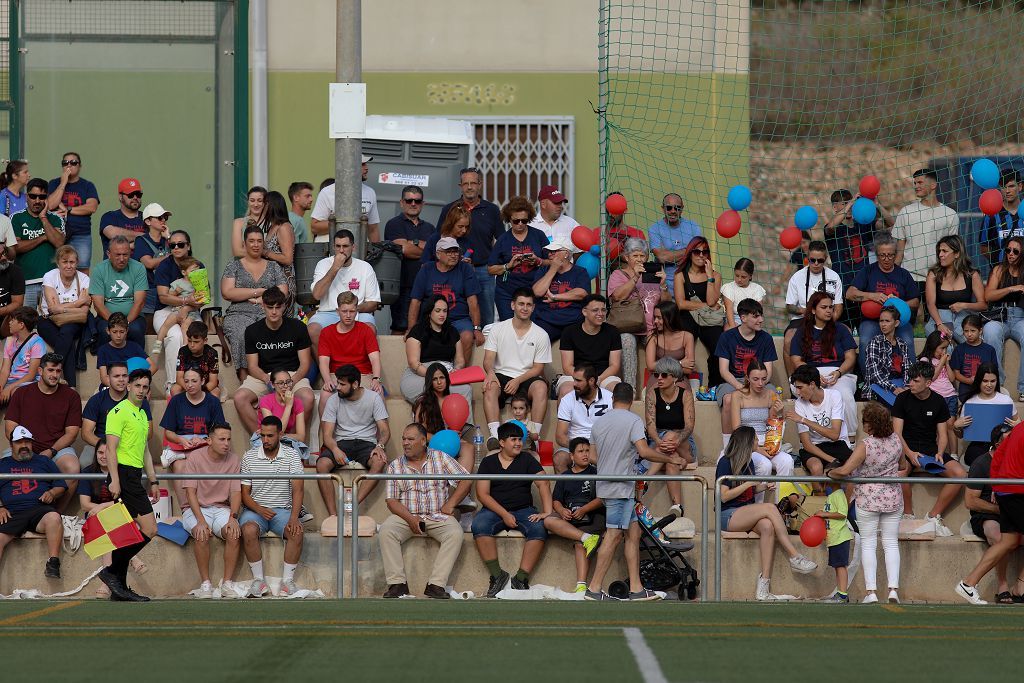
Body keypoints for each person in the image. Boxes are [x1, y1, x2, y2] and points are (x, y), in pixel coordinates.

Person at [585, 383, 686, 601]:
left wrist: (613, 460)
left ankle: (637, 589)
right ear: (631, 400)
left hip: (609, 485)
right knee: (612, 536)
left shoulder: (599, 422)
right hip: (620, 488)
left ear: (613, 400)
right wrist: (671, 458)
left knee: (633, 534)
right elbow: (643, 451)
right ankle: (593, 589)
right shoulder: (633, 421)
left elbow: (592, 458)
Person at [715, 425, 817, 601]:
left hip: (744, 512)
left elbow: (749, 492)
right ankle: (794, 557)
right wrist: (748, 484)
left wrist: (761, 487)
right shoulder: (726, 461)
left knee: (767, 526)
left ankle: (764, 587)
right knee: (770, 508)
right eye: (755, 439)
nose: (758, 441)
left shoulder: (749, 462)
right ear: (747, 441)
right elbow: (723, 496)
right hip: (728, 515)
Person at [379, 423, 472, 599]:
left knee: (455, 533)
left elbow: (466, 480)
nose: (405, 443)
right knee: (386, 530)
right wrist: (411, 519)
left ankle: (436, 585)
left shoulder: (441, 458)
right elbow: (391, 501)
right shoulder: (395, 466)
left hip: (438, 515)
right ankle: (397, 584)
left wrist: (451, 504)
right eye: (404, 439)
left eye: (410, 439)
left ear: (423, 441)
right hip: (406, 516)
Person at [829, 401, 904, 605]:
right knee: (891, 543)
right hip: (893, 497)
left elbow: (844, 471)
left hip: (868, 499)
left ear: (871, 424)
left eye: (865, 421)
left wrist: (830, 473)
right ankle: (893, 590)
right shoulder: (896, 440)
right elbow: (904, 466)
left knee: (869, 544)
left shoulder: (866, 444)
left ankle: (871, 592)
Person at [97, 368, 160, 602]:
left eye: (145, 387)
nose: (141, 390)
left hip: (135, 476)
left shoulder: (142, 414)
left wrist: (152, 480)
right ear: (129, 386)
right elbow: (111, 448)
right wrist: (114, 479)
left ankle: (119, 587)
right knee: (150, 529)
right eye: (138, 386)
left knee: (127, 533)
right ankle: (111, 573)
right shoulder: (118, 412)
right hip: (122, 475)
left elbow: (144, 450)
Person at [472, 421, 550, 597]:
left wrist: (547, 511)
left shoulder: (527, 459)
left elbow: (543, 482)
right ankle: (497, 575)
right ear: (501, 442)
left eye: (520, 439)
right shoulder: (488, 462)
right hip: (494, 510)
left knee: (539, 528)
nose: (518, 443)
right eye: (513, 439)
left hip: (524, 509)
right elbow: (482, 494)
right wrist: (504, 514)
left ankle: (521, 578)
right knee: (479, 525)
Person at [891, 360, 966, 535]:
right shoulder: (902, 398)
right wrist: (909, 453)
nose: (911, 383)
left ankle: (933, 515)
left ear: (928, 383)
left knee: (960, 474)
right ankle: (907, 515)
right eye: (910, 379)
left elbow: (943, 434)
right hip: (905, 448)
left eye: (916, 381)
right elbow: (896, 434)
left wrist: (940, 453)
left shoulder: (939, 401)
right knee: (900, 473)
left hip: (930, 449)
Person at [4, 353, 82, 512]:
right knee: (3, 467)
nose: (54, 375)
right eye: (51, 370)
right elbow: (10, 428)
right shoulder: (21, 393)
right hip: (24, 445)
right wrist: (25, 447)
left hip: (56, 447)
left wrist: (51, 451)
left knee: (73, 468)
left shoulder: (71, 396)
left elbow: (72, 433)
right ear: (40, 371)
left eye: (58, 371)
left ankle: (57, 514)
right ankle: (10, 514)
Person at [240, 415, 305, 598]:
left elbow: (298, 489)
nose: (266, 440)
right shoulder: (249, 456)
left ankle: (287, 582)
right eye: (263, 436)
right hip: (255, 510)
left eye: (270, 436)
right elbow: (245, 494)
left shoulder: (292, 455)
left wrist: (293, 518)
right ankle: (258, 581)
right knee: (248, 529)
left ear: (280, 434)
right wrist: (259, 509)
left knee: (297, 530)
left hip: (282, 511)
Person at [234, 287, 314, 434]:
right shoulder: (252, 331)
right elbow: (252, 366)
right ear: (263, 305)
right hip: (265, 375)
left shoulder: (298, 327)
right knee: (240, 397)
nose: (274, 311)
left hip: (292, 374)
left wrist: (290, 382)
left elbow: (305, 364)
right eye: (270, 307)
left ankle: (290, 441)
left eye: (278, 307)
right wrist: (268, 380)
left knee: (308, 398)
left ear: (284, 306)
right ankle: (263, 439)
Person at [482, 289, 552, 450]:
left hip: (527, 377)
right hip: (502, 374)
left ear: (533, 308)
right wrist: (490, 374)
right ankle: (495, 436)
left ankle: (533, 438)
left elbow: (538, 368)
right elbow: (488, 361)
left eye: (529, 305)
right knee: (490, 385)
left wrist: (518, 380)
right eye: (521, 304)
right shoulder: (498, 329)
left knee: (541, 387)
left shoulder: (541, 334)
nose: (525, 308)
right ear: (513, 305)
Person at [435, 166, 504, 327]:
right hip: (455, 269)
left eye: (473, 183)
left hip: (484, 271)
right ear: (460, 186)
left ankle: (483, 349)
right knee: (454, 311)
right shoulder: (449, 209)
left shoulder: (492, 210)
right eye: (466, 183)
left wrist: (494, 264)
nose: (470, 187)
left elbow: (501, 240)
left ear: (480, 184)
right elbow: (440, 238)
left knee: (486, 316)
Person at [181, 423, 242, 598]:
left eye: (229, 439)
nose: (226, 443)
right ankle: (205, 584)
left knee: (234, 532)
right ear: (209, 440)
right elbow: (190, 493)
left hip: (222, 508)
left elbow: (236, 492)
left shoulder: (234, 459)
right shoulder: (195, 457)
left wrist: (233, 517)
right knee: (200, 533)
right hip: (197, 508)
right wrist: (200, 520)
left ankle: (227, 583)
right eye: (222, 439)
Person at [316, 365, 390, 509]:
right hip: (342, 443)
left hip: (367, 443)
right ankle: (333, 515)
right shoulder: (333, 400)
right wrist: (335, 449)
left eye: (342, 384)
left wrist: (379, 446)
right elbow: (327, 434)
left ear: (355, 384)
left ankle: (352, 504)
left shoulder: (373, 398)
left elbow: (385, 430)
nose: (337, 387)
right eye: (337, 382)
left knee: (379, 462)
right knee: (322, 464)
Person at [220, 225, 289, 376]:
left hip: (268, 312)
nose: (256, 245)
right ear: (244, 243)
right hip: (239, 313)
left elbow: (283, 291)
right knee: (241, 332)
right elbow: (227, 292)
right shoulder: (234, 265)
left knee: (272, 330)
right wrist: (260, 291)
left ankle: (273, 376)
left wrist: (259, 300)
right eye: (251, 241)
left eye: (259, 241)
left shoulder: (273, 265)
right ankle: (244, 377)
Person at [0, 426, 67, 579]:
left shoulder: (44, 461)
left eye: (27, 442)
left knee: (54, 518)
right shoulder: (2, 464)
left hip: (39, 510)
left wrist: (52, 492)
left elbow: (61, 485)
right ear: (11, 445)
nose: (24, 446)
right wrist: (0, 507)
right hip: (12, 513)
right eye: (19, 442)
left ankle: (53, 563)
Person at [788, 291, 858, 435]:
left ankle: (850, 437)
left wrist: (839, 373)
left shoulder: (841, 330)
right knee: (805, 390)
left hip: (838, 373)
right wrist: (812, 375)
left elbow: (850, 357)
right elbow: (796, 360)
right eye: (824, 307)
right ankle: (812, 437)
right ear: (813, 310)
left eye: (831, 307)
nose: (829, 310)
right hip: (809, 374)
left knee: (844, 394)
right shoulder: (802, 331)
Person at [963, 424, 1019, 603]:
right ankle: (1003, 586)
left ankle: (1019, 586)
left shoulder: (1015, 450)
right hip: (988, 514)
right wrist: (1000, 505)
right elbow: (970, 501)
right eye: (1006, 440)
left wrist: (1000, 491)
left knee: (1012, 538)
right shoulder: (981, 463)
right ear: (996, 444)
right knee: (1000, 537)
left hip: (1010, 505)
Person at [847, 232, 918, 371]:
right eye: (882, 255)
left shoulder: (903, 274)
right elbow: (850, 293)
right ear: (876, 254)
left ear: (895, 254)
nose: (886, 259)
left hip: (898, 321)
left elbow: (915, 302)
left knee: (908, 342)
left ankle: (911, 381)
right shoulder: (868, 271)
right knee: (865, 341)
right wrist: (871, 296)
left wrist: (899, 303)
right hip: (872, 320)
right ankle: (867, 381)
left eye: (890, 255)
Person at [160, 367, 227, 512]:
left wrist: (204, 440)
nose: (189, 385)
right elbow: (168, 433)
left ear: (202, 381)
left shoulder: (212, 402)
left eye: (194, 381)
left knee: (200, 458)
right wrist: (181, 440)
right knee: (179, 466)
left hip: (205, 445)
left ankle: (207, 506)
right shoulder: (176, 401)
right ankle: (186, 509)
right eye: (186, 381)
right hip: (181, 446)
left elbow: (220, 432)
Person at [408, 237, 483, 361]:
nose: (454, 255)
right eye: (449, 252)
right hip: (431, 319)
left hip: (458, 319)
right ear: (438, 254)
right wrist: (411, 329)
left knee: (467, 336)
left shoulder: (465, 268)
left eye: (456, 251)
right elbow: (416, 301)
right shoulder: (426, 269)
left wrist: (477, 328)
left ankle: (460, 374)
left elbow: (472, 301)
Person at [544, 437, 603, 592]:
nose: (585, 454)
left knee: (579, 545)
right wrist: (562, 511)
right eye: (580, 451)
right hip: (571, 518)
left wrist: (584, 509)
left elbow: (602, 498)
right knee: (548, 521)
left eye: (587, 451)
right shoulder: (565, 476)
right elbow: (556, 500)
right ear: (571, 456)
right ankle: (587, 538)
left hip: (593, 516)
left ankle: (581, 585)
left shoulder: (596, 473)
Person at [716, 298, 778, 442]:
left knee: (774, 397)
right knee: (728, 399)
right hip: (733, 381)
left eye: (761, 315)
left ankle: (771, 441)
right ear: (743, 318)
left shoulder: (766, 338)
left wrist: (756, 384)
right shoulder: (727, 337)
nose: (761, 320)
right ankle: (727, 445)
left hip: (760, 380)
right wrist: (740, 387)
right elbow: (724, 370)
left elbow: (768, 372)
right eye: (756, 316)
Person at [400, 294, 472, 411]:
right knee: (436, 389)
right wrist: (434, 375)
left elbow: (460, 360)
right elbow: (414, 363)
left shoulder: (452, 331)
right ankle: (432, 425)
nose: (442, 314)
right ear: (429, 312)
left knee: (465, 389)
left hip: (446, 372)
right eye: (438, 311)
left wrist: (456, 370)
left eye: (444, 311)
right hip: (420, 374)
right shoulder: (417, 331)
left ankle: (466, 428)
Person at [153, 229, 205, 389]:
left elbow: (203, 298)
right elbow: (163, 297)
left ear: (188, 246)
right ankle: (173, 384)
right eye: (172, 245)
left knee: (191, 335)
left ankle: (196, 381)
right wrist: (185, 300)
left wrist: (186, 307)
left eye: (180, 244)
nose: (176, 248)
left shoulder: (197, 266)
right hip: (165, 310)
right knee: (175, 336)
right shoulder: (164, 266)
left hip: (192, 310)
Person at [787, 363, 853, 489]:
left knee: (838, 472)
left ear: (812, 384)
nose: (797, 392)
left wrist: (803, 420)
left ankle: (836, 505)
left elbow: (834, 435)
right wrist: (831, 459)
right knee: (816, 467)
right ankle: (818, 502)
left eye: (800, 387)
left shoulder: (834, 396)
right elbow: (807, 444)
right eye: (796, 388)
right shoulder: (799, 404)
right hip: (814, 447)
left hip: (837, 444)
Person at [729, 359, 794, 487]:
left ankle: (781, 502)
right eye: (755, 379)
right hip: (747, 442)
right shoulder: (738, 396)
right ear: (747, 378)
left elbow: (773, 424)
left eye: (764, 379)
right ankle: (759, 505)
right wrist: (757, 449)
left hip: (768, 440)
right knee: (765, 465)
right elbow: (737, 429)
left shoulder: (770, 394)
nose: (760, 383)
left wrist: (779, 412)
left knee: (787, 461)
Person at [783, 240, 843, 377]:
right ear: (807, 257)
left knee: (846, 334)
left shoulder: (834, 276)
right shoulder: (797, 277)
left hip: (828, 317)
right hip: (803, 318)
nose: (816, 263)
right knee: (788, 339)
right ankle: (793, 380)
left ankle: (841, 376)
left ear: (826, 259)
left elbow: (838, 306)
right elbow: (790, 306)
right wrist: (809, 311)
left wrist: (828, 318)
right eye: (812, 260)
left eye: (820, 260)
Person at [643, 357, 696, 513]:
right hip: (659, 442)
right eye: (657, 374)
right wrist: (660, 442)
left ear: (674, 377)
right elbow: (650, 426)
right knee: (672, 460)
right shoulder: (652, 394)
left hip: (684, 443)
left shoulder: (685, 395)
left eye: (664, 375)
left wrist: (676, 440)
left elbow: (689, 426)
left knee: (671, 435)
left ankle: (646, 478)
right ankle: (677, 506)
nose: (659, 378)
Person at [317, 291, 384, 409]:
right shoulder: (327, 332)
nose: (348, 315)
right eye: (344, 311)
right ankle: (325, 428)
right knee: (325, 395)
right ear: (338, 311)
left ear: (356, 311)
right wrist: (327, 380)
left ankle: (382, 428)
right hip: (336, 375)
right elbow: (323, 362)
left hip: (362, 374)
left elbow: (375, 359)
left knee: (378, 393)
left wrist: (376, 378)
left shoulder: (366, 330)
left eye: (352, 311)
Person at [893, 167, 959, 285]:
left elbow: (952, 252)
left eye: (920, 182)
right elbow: (899, 252)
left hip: (938, 278)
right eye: (914, 183)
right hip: (909, 278)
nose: (916, 186)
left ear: (933, 185)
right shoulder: (906, 212)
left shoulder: (950, 215)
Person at [674, 236, 725, 389]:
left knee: (718, 348)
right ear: (690, 253)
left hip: (709, 320)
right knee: (681, 349)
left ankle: (715, 387)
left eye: (705, 252)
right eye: (697, 252)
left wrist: (709, 277)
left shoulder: (715, 276)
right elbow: (681, 304)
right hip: (688, 316)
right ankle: (680, 384)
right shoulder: (680, 276)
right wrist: (705, 305)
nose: (701, 255)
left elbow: (711, 301)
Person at [384, 186, 435, 334]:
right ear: (401, 202)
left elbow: (436, 252)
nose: (413, 203)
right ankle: (396, 358)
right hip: (403, 286)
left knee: (426, 329)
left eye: (417, 201)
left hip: (427, 286)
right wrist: (425, 247)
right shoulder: (394, 224)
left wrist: (413, 242)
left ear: (423, 203)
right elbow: (404, 249)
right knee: (401, 327)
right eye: (409, 200)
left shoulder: (430, 228)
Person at [489, 196, 548, 321]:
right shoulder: (503, 240)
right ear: (509, 219)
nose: (520, 224)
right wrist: (508, 265)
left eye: (524, 220)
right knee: (509, 328)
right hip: (507, 293)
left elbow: (552, 262)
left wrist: (538, 261)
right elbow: (491, 269)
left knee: (534, 328)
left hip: (534, 291)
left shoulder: (538, 236)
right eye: (516, 221)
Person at [37, 244, 88, 386]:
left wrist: (62, 308)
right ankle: (71, 387)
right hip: (48, 320)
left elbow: (84, 312)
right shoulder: (50, 276)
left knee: (67, 332)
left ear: (77, 263)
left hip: (74, 321)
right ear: (58, 263)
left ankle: (52, 369)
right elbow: (52, 309)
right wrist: (77, 303)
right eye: (65, 262)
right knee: (68, 343)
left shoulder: (84, 279)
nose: (69, 266)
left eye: (72, 262)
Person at [556, 294, 623, 400]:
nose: (600, 314)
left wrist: (598, 379)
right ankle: (564, 417)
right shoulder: (569, 332)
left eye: (603, 310)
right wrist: (584, 380)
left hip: (603, 376)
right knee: (566, 391)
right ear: (584, 312)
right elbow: (567, 366)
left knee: (617, 391)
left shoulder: (613, 332)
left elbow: (614, 365)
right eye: (595, 310)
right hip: (575, 375)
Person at [11, 177, 65, 310]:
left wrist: (43, 217)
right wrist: (43, 238)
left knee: (50, 323)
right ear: (26, 197)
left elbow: (58, 242)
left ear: (46, 198)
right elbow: (16, 247)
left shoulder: (55, 219)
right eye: (33, 196)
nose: (37, 201)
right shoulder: (17, 217)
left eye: (41, 197)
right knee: (25, 323)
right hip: (25, 281)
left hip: (51, 282)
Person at [82, 362, 152, 463]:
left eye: (124, 376)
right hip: (101, 444)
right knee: (85, 462)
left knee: (143, 469)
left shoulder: (140, 400)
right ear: (108, 378)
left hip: (130, 446)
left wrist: (126, 446)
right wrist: (105, 446)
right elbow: (86, 433)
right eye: (116, 376)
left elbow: (149, 433)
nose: (121, 379)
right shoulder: (96, 400)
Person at [412, 363, 475, 474]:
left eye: (442, 378)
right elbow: (420, 434)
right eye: (435, 379)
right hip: (432, 443)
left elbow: (455, 426)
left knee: (469, 448)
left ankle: (462, 485)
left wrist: (455, 434)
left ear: (447, 379)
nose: (439, 382)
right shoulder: (423, 402)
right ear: (430, 382)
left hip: (450, 441)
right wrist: (443, 437)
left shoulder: (453, 400)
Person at [981, 235, 1024, 399]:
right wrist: (1011, 289)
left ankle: (1023, 388)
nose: (1010, 254)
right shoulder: (999, 269)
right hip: (1000, 315)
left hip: (1021, 316)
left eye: (1015, 251)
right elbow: (988, 295)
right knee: (990, 331)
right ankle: (997, 384)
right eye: (1008, 250)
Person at [952, 364, 1019, 467]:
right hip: (979, 445)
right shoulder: (970, 402)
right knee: (973, 458)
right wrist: (956, 426)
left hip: (1003, 443)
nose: (989, 385)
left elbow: (1018, 424)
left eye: (992, 381)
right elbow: (961, 435)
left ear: (997, 381)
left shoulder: (1006, 400)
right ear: (979, 381)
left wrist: (1018, 425)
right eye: (985, 381)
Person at [924, 235, 987, 343]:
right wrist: (940, 324)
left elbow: (983, 305)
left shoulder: (972, 274)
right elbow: (930, 304)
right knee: (944, 348)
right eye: (939, 251)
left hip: (964, 317)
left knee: (973, 345)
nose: (940, 255)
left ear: (957, 254)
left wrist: (964, 305)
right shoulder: (934, 274)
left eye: (945, 251)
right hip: (939, 317)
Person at [89, 235, 148, 349]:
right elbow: (98, 304)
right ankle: (106, 365)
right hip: (106, 317)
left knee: (136, 330)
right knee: (104, 331)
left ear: (130, 253)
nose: (122, 259)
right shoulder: (99, 270)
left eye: (125, 254)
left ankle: (136, 365)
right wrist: (115, 324)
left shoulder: (139, 268)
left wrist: (124, 325)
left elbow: (139, 302)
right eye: (117, 255)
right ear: (108, 254)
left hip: (133, 317)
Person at [310, 154, 381, 243]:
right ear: (348, 167)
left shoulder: (370, 192)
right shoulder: (327, 192)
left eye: (366, 164)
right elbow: (314, 227)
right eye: (362, 164)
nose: (366, 168)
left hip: (360, 251)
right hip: (331, 251)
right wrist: (345, 222)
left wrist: (376, 252)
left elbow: (373, 229)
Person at [531, 238, 591, 342]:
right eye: (549, 252)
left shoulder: (580, 272)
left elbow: (582, 293)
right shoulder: (543, 270)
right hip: (546, 320)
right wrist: (553, 269)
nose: (550, 254)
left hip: (573, 320)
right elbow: (537, 292)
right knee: (535, 342)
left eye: (554, 251)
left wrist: (555, 297)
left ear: (566, 254)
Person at [46, 152, 99, 270]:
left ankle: (82, 290)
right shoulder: (54, 183)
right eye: (65, 163)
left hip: (81, 233)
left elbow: (92, 207)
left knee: (82, 268)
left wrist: (68, 210)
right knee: (57, 269)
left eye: (73, 162)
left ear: (80, 166)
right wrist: (63, 182)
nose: (69, 165)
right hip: (57, 233)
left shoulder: (87, 185)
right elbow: (50, 204)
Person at [554, 365, 614, 468]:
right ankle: (567, 485)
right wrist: (581, 450)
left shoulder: (610, 398)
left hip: (602, 446)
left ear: (591, 381)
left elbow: (616, 431)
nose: (574, 384)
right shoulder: (567, 399)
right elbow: (560, 436)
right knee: (560, 459)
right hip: (575, 445)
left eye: (578, 380)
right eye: (574, 380)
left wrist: (594, 450)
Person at [609, 237, 669, 337]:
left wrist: (663, 284)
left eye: (642, 256)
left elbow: (667, 303)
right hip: (628, 327)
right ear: (627, 257)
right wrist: (636, 277)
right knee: (626, 339)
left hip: (654, 328)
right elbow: (617, 297)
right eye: (635, 256)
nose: (639, 259)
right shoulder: (618, 274)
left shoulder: (654, 274)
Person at [649, 193, 703, 295]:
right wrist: (688, 251)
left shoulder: (693, 226)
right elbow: (662, 257)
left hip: (691, 284)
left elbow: (698, 253)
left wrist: (671, 254)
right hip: (666, 286)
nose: (673, 211)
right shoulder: (654, 229)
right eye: (669, 208)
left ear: (682, 208)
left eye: (677, 208)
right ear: (663, 209)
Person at [257, 369, 309, 461]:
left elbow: (301, 437)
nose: (285, 386)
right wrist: (288, 406)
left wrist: (281, 435)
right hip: (267, 440)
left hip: (286, 441)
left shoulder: (298, 403)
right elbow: (273, 430)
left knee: (298, 450)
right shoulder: (265, 401)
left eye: (288, 382)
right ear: (273, 385)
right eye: (280, 383)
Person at [864, 305, 913, 403]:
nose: (883, 324)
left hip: (899, 385)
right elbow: (875, 373)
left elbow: (908, 369)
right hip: (879, 387)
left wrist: (907, 386)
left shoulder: (902, 344)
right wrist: (893, 388)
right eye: (881, 321)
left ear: (896, 323)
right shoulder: (875, 342)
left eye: (887, 321)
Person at [814, 484, 853, 603]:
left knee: (841, 566)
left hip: (840, 537)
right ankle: (840, 593)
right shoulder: (831, 496)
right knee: (837, 566)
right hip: (834, 538)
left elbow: (842, 514)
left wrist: (824, 514)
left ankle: (842, 595)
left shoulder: (839, 494)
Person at [259, 191, 297, 307]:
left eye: (263, 203)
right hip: (272, 281)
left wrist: (265, 252)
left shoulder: (284, 227)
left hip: (283, 281)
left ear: (270, 205)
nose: (261, 207)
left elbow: (288, 258)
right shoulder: (272, 227)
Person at [131, 202, 171, 315]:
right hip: (150, 290)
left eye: (165, 217)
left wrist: (168, 237)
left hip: (170, 290)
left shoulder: (170, 240)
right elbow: (149, 263)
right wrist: (170, 256)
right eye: (159, 217)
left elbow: (181, 257)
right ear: (148, 221)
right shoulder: (141, 241)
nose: (163, 220)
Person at [949, 314, 999, 403]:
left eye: (973, 331)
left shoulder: (989, 350)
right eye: (966, 331)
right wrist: (969, 380)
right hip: (966, 389)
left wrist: (982, 382)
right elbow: (956, 373)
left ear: (980, 331)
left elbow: (994, 372)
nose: (969, 334)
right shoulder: (959, 349)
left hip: (986, 387)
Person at [0, 307, 45, 404]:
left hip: (27, 382)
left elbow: (31, 375)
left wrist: (8, 388)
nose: (10, 323)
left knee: (16, 392)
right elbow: (5, 370)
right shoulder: (10, 340)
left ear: (21, 325)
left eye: (13, 320)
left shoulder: (37, 342)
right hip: (11, 380)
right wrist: (0, 387)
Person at [645, 301, 696, 384]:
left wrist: (659, 366)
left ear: (670, 318)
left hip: (679, 379)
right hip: (658, 377)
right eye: (654, 317)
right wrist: (680, 363)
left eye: (659, 318)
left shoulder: (687, 336)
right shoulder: (652, 336)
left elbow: (688, 369)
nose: (655, 321)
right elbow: (650, 367)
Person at [982, 168, 1024, 267]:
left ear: (1020, 186)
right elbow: (984, 246)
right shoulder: (992, 214)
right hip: (1001, 273)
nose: (1007, 191)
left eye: (1011, 186)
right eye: (1003, 187)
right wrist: (998, 262)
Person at [95, 313, 149, 388]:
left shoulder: (134, 347)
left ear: (127, 331)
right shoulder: (103, 350)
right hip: (111, 386)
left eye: (122, 332)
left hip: (131, 386)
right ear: (108, 331)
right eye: (114, 332)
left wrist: (139, 382)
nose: (118, 336)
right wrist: (121, 387)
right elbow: (104, 378)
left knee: (146, 391)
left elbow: (153, 366)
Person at [173, 321, 220, 397]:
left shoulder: (211, 353)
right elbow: (179, 378)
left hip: (205, 385)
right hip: (187, 384)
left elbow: (213, 382)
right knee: (175, 389)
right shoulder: (183, 351)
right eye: (189, 341)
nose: (192, 345)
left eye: (196, 342)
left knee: (215, 393)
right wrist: (190, 389)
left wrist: (199, 392)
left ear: (205, 341)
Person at [99, 178, 145, 255]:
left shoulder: (148, 218)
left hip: (143, 266)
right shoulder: (109, 217)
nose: (135, 198)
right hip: (114, 266)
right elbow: (113, 234)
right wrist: (145, 237)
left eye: (138, 194)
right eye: (130, 195)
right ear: (120, 197)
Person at [918, 330, 957, 416]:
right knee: (936, 423)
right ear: (933, 346)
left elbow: (952, 379)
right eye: (942, 348)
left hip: (950, 396)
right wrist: (941, 363)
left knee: (950, 424)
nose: (944, 351)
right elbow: (931, 377)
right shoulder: (925, 360)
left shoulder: (944, 361)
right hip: (935, 397)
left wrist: (946, 364)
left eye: (946, 348)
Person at [721, 258, 767, 329]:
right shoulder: (728, 288)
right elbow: (729, 310)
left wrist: (751, 324)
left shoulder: (757, 289)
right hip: (734, 318)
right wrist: (733, 328)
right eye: (737, 275)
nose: (739, 279)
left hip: (751, 319)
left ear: (750, 276)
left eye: (743, 277)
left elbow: (758, 312)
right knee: (728, 330)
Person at [230, 186, 267, 256]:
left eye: (259, 201)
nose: (256, 204)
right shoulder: (239, 223)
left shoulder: (272, 223)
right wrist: (266, 253)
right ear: (248, 202)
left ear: (265, 203)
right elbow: (237, 251)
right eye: (252, 200)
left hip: (267, 266)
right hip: (243, 266)